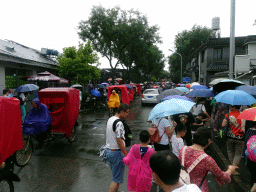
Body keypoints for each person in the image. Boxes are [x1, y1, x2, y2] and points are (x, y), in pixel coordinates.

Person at [178, 127, 237, 192]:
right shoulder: (207, 159)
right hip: (199, 188)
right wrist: (230, 170)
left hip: (182, 187)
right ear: (208, 141)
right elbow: (222, 176)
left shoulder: (183, 150)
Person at [105, 103, 129, 192]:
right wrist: (126, 154)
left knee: (115, 174)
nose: (127, 115)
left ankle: (116, 190)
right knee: (116, 179)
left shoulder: (110, 119)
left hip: (109, 150)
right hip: (116, 152)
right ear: (121, 111)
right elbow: (119, 141)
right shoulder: (119, 123)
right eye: (126, 112)